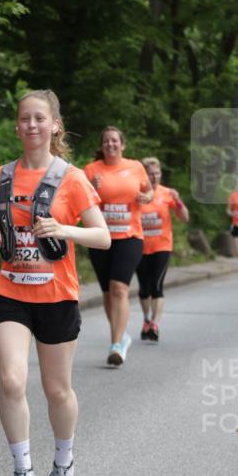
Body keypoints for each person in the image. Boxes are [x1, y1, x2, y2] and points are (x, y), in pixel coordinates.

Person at [0, 90, 109, 476]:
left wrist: (65, 230)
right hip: (11, 292)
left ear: (55, 125)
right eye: (24, 119)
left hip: (56, 296)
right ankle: (22, 472)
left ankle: (64, 463)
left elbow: (103, 237)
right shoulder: (2, 175)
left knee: (57, 390)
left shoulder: (72, 178)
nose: (31, 125)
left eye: (40, 118)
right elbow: (0, 237)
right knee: (11, 380)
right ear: (17, 126)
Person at [84, 127, 153, 365]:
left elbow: (148, 190)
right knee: (107, 293)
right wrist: (91, 186)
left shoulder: (135, 167)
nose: (110, 144)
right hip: (101, 238)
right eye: (106, 141)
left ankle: (115, 345)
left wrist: (147, 197)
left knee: (119, 289)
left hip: (130, 236)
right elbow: (81, 202)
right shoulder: (91, 170)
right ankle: (121, 335)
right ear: (102, 146)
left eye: (114, 141)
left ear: (122, 145)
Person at [136, 157, 189, 342]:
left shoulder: (167, 193)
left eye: (157, 173)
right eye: (150, 173)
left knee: (156, 286)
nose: (154, 177)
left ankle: (155, 324)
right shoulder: (137, 193)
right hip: (139, 246)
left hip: (162, 246)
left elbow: (184, 218)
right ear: (144, 175)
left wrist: (179, 201)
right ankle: (146, 320)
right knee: (144, 288)